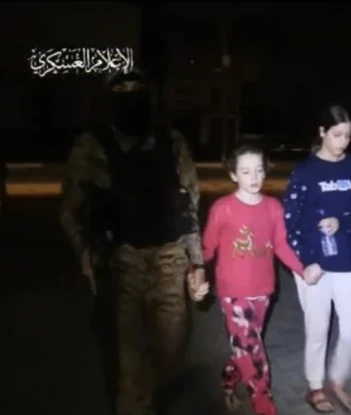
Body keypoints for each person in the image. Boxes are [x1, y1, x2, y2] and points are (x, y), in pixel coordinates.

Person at [59, 68, 205, 415]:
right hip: (121, 261)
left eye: (137, 90)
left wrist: (196, 261)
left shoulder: (171, 141)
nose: (130, 97)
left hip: (169, 257)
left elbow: (189, 203)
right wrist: (84, 251)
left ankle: (144, 391)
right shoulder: (92, 146)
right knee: (128, 355)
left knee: (173, 347)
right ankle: (135, 402)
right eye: (122, 91)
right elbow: (70, 208)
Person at [197, 144, 316, 415]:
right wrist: (196, 273)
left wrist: (302, 269)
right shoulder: (223, 208)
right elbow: (207, 248)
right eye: (246, 171)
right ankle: (264, 404)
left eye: (259, 171)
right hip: (232, 292)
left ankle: (228, 381)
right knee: (253, 349)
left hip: (263, 289)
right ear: (233, 175)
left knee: (245, 345)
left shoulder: (273, 207)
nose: (254, 177)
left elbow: (281, 245)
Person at [283, 105, 351, 414]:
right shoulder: (304, 172)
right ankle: (315, 386)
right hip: (313, 264)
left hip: (347, 258)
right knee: (318, 328)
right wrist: (305, 261)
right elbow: (289, 223)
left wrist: (341, 222)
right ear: (322, 132)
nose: (343, 142)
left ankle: (338, 377)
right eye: (337, 135)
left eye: (347, 135)